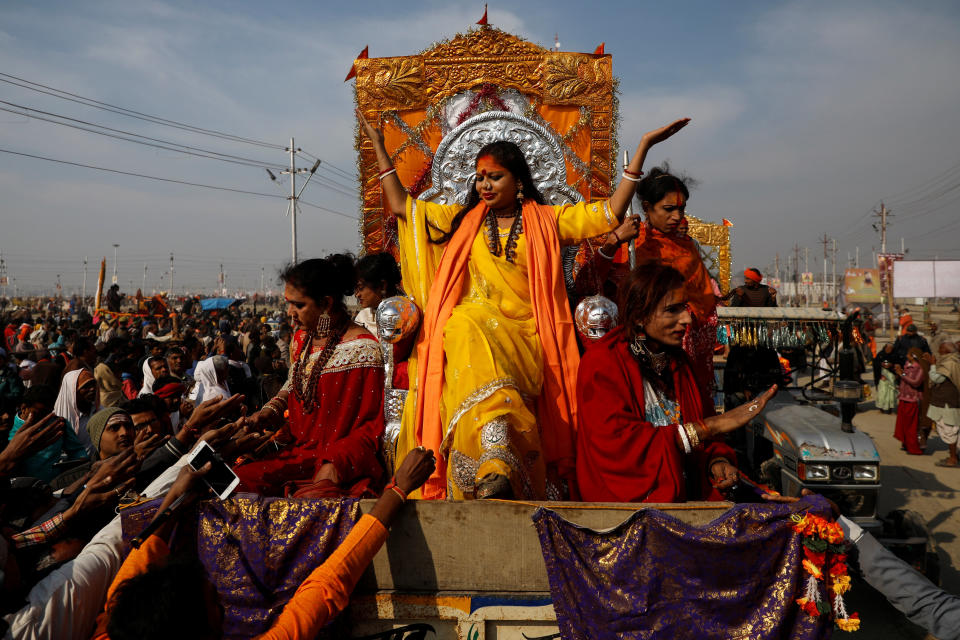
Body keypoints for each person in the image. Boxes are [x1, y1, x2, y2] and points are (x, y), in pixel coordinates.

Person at [359, 108, 691, 500]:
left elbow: (609, 212)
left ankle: (498, 461)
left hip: (528, 335)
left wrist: (642, 149)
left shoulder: (548, 220)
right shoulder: (462, 219)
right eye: (480, 177)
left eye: (494, 176)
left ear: (518, 182)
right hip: (472, 327)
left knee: (469, 330)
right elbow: (403, 208)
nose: (484, 184)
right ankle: (494, 460)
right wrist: (380, 148)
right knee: (462, 324)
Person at [90, 447, 435, 640]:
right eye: (215, 605)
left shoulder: (113, 628)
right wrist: (398, 490)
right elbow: (325, 588)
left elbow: (143, 555)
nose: (225, 608)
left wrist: (178, 495)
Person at [575, 263, 776, 502]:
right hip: (627, 513)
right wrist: (711, 426)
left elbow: (705, 442)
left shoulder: (679, 362)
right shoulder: (602, 363)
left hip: (686, 501)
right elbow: (619, 447)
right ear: (639, 316)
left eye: (685, 307)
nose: (686, 319)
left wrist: (717, 462)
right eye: (673, 310)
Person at [239, 255, 385, 497]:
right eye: (288, 303)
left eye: (298, 305)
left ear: (326, 303)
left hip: (333, 462)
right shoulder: (301, 340)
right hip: (297, 452)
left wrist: (334, 463)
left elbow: (370, 427)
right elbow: (295, 383)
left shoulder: (363, 349)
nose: (290, 313)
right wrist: (268, 412)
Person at [926, 342, 960, 468]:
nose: (938, 350)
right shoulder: (953, 361)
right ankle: (954, 455)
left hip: (947, 403)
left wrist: (933, 365)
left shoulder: (949, 363)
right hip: (951, 401)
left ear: (946, 351)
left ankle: (953, 458)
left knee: (949, 430)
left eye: (940, 348)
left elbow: (936, 378)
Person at [353, 252, 403, 336]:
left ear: (382, 286)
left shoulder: (403, 313)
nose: (357, 295)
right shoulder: (362, 317)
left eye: (361, 288)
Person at [54, 368, 100, 456]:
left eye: (93, 385)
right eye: (86, 386)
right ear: (72, 391)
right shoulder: (57, 419)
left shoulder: (101, 412)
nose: (92, 389)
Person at [893, 348, 926, 455]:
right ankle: (906, 444)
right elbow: (903, 379)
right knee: (903, 424)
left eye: (908, 354)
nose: (906, 355)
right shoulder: (907, 365)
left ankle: (914, 447)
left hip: (913, 399)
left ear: (913, 356)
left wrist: (901, 374)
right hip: (903, 397)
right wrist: (900, 373)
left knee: (911, 426)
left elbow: (916, 383)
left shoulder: (920, 368)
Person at [875, 346, 899, 414]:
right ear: (885, 348)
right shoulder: (880, 355)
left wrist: (892, 365)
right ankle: (881, 408)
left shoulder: (895, 355)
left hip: (891, 378)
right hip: (882, 378)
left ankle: (890, 409)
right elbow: (875, 364)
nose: (889, 350)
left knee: (891, 394)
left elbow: (898, 365)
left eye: (890, 348)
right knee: (882, 394)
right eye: (887, 348)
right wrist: (881, 364)